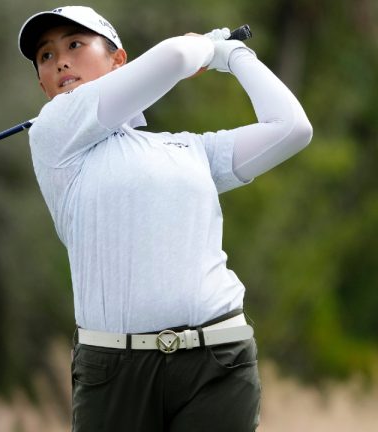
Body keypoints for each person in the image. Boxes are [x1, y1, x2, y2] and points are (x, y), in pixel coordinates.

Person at [18, 6, 312, 432]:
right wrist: (207, 48)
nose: (60, 60)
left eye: (75, 45)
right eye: (46, 57)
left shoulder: (189, 150)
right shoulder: (53, 135)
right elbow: (175, 57)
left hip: (217, 360)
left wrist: (234, 57)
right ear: (43, 84)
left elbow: (292, 128)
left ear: (118, 60)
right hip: (113, 371)